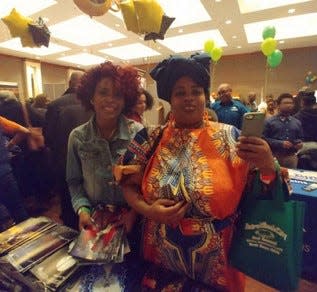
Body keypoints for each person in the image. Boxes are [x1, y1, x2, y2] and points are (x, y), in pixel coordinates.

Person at [119, 53, 276, 291]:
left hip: (219, 259)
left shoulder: (231, 137)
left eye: (196, 91)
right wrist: (149, 210)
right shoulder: (149, 137)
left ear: (205, 95)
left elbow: (266, 188)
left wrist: (267, 163)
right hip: (160, 256)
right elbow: (127, 185)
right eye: (180, 92)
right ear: (170, 99)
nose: (189, 98)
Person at [66, 61, 143, 232]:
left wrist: (135, 212)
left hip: (132, 221)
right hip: (95, 221)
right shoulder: (78, 137)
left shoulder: (139, 134)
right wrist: (83, 210)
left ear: (125, 100)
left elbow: (146, 181)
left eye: (118, 95)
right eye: (103, 92)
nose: (110, 100)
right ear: (91, 97)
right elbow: (74, 182)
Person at [44, 71, 91, 228]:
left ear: (69, 83)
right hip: (90, 162)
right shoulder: (93, 104)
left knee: (68, 203)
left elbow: (48, 137)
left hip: (63, 163)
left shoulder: (54, 105)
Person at [0, 116, 29, 224]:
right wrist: (8, 146)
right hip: (5, 173)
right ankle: (28, 238)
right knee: (18, 211)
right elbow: (24, 131)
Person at [263, 93, 303, 168]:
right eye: (285, 103)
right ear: (278, 105)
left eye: (291, 103)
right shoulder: (269, 121)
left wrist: (300, 144)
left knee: (290, 179)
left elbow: (300, 138)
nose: (289, 105)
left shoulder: (297, 122)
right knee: (274, 179)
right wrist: (280, 143)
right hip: (273, 157)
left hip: (291, 158)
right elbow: (263, 139)